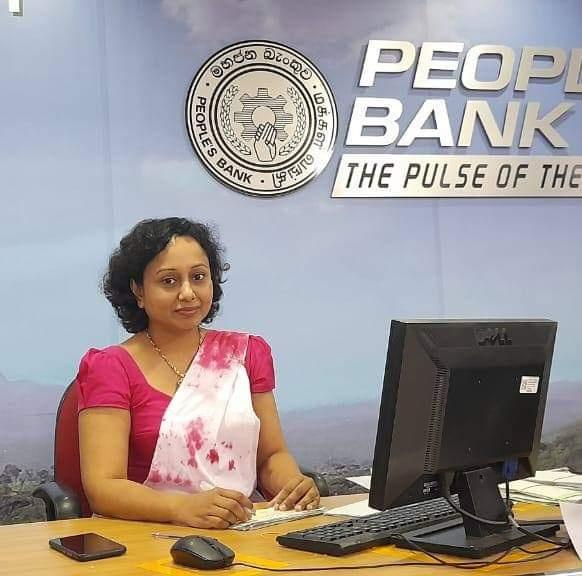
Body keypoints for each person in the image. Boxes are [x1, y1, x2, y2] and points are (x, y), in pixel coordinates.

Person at [77, 217, 319, 529]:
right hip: (147, 534)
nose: (188, 293)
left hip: (242, 529)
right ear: (138, 290)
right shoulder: (110, 367)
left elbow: (271, 456)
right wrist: (181, 507)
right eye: (169, 281)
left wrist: (292, 486)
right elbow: (103, 487)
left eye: (199, 277)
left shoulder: (246, 354)